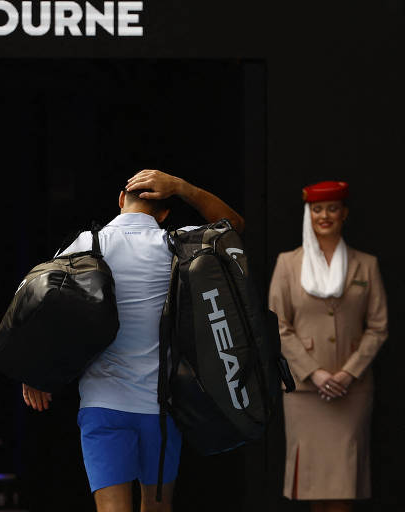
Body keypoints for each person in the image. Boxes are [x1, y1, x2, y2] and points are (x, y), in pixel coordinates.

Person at [22, 169, 244, 512]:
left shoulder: (85, 244)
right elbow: (235, 227)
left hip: (103, 403)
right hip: (160, 407)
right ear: (166, 212)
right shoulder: (179, 245)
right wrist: (185, 188)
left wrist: (35, 370)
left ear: (121, 200)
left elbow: (41, 305)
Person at [268, 181, 387, 512]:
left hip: (353, 389)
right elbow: (278, 325)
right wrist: (314, 373)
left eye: (332, 208)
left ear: (344, 213)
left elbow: (378, 327)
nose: (325, 215)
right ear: (309, 214)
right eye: (317, 209)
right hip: (306, 390)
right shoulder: (288, 263)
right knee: (311, 483)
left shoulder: (367, 265)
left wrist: (349, 373)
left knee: (343, 482)